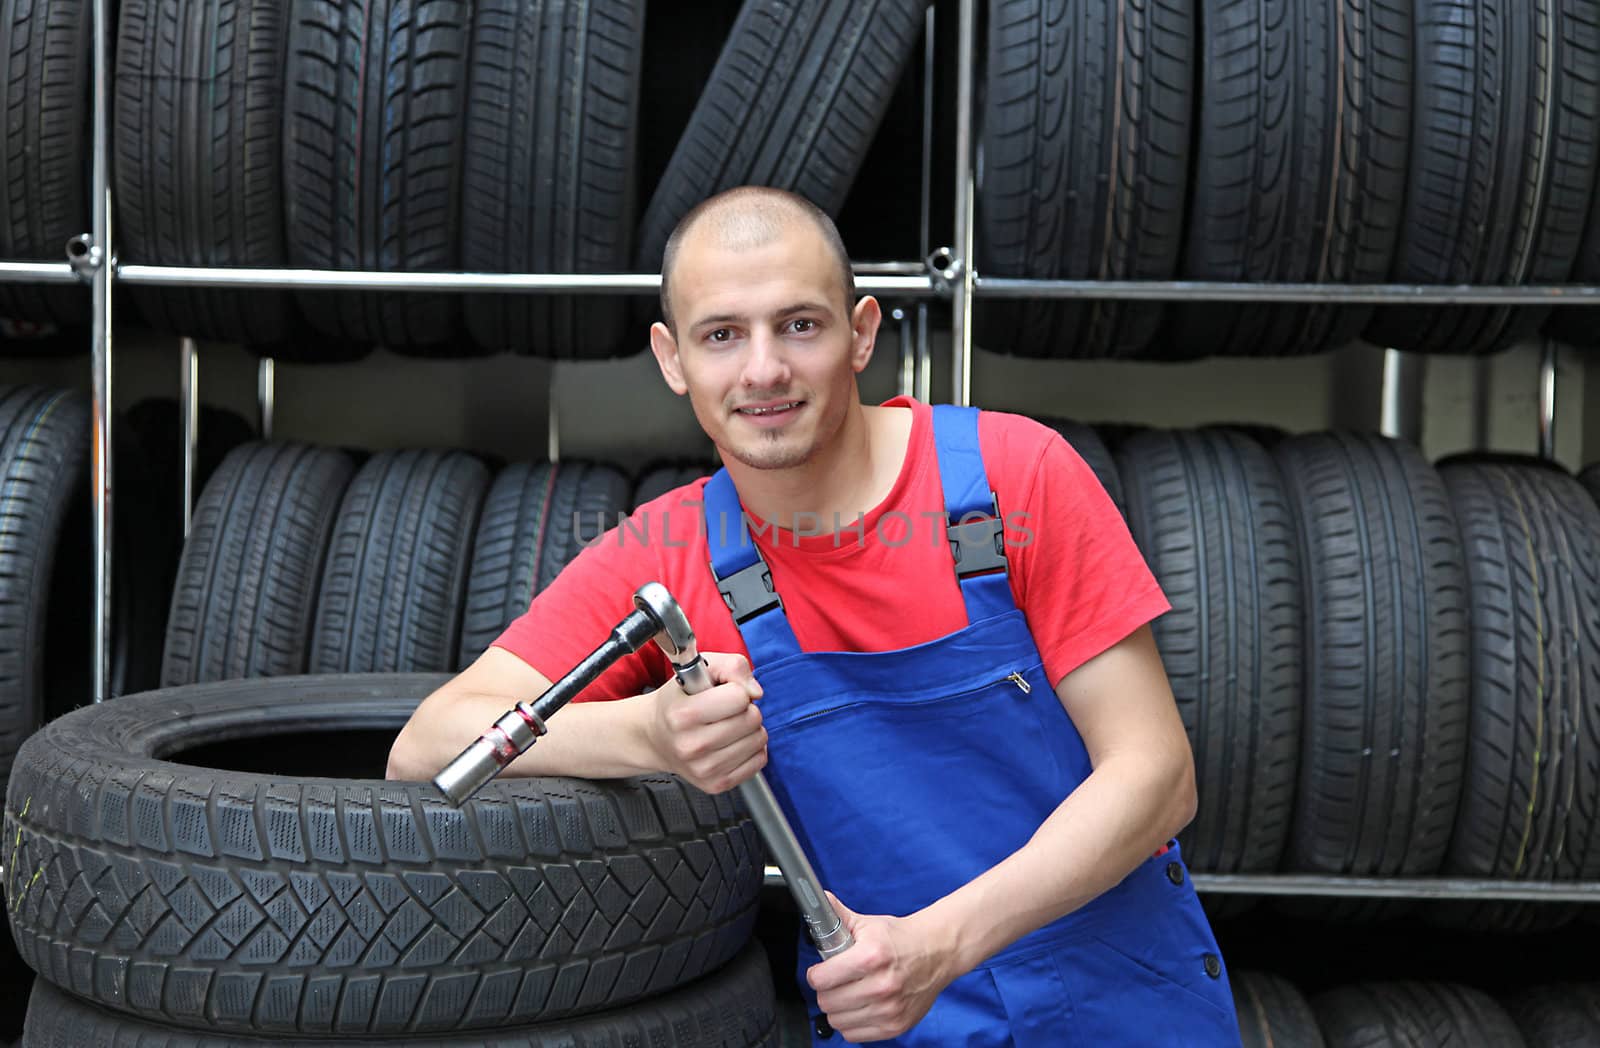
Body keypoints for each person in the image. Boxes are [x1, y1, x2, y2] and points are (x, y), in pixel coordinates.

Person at [388, 186, 1242, 1046]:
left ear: (862, 333)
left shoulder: (1015, 477)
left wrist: (937, 948)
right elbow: (426, 746)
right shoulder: (667, 553)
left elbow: (1156, 775)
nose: (763, 370)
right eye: (722, 335)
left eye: (800, 325)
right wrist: (650, 735)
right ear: (672, 357)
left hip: (1123, 1009)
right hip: (899, 1026)